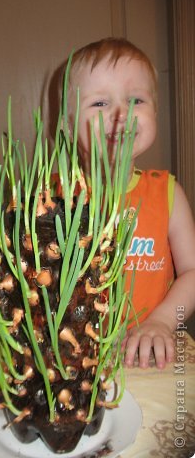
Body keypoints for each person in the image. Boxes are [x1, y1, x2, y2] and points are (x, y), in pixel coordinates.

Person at [64, 37, 195, 369]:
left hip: (149, 355)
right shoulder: (56, 198)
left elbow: (193, 272)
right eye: (99, 104)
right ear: (67, 126)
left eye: (136, 100)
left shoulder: (168, 193)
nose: (121, 114)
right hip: (73, 357)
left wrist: (164, 320)